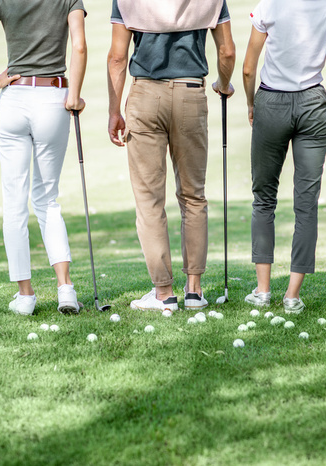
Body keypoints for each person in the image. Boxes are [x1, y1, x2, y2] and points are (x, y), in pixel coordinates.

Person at [0, 0, 87, 316]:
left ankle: (25, 296)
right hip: (53, 98)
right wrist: (74, 95)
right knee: (46, 200)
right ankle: (65, 289)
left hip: (13, 100)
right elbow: (80, 46)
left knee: (15, 202)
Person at [106, 0, 236, 312]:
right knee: (193, 195)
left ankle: (163, 292)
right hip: (191, 94)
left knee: (150, 200)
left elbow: (117, 57)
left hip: (146, 96)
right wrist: (224, 82)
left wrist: (114, 110)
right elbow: (227, 51)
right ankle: (194, 290)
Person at [242, 0, 326, 313]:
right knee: (306, 204)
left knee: (263, 198)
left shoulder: (268, 7)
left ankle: (262, 291)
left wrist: (251, 104)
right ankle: (292, 295)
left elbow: (248, 67)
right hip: (313, 105)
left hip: (270, 102)